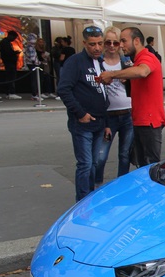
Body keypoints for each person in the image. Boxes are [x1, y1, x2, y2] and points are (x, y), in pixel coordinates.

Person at [99, 27, 165, 167]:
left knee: (150, 167)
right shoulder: (137, 60)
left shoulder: (147, 57)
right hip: (141, 120)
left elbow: (142, 71)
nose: (121, 45)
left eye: (123, 41)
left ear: (136, 41)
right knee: (142, 165)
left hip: (149, 121)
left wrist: (112, 74)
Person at [57, 25, 109, 202]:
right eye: (92, 44)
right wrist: (80, 113)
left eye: (99, 43)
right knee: (85, 164)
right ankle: (82, 201)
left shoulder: (101, 62)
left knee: (94, 163)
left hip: (99, 122)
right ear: (84, 43)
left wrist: (107, 122)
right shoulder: (75, 62)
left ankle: (89, 198)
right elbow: (64, 90)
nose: (97, 48)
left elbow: (103, 93)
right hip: (82, 124)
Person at [95, 26, 134, 187]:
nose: (112, 46)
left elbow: (136, 83)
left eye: (116, 42)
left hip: (127, 113)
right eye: (108, 42)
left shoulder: (126, 62)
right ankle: (96, 185)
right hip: (108, 116)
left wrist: (129, 79)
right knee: (101, 156)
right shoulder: (98, 63)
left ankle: (120, 187)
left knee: (125, 155)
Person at [0, 31, 22, 100]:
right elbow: (8, 52)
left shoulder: (6, 42)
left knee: (10, 77)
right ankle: (11, 92)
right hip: (9, 63)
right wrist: (15, 53)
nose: (14, 39)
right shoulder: (5, 42)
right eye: (14, 38)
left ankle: (9, 92)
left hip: (9, 62)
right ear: (10, 36)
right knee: (11, 77)